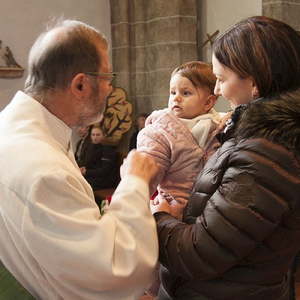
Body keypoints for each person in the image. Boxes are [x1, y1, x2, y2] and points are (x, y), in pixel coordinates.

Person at [0, 19, 159, 300]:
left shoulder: (15, 129)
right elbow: (113, 271)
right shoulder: (43, 169)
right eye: (108, 78)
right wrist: (134, 182)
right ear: (81, 85)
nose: (111, 88)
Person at [151, 16, 300, 300]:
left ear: (254, 83)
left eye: (221, 79)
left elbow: (200, 254)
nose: (217, 91)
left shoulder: (266, 154)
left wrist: (160, 217)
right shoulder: (262, 139)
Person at [138, 61, 221, 220]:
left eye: (186, 93)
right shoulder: (160, 133)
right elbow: (146, 176)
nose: (176, 98)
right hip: (173, 210)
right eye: (172, 92)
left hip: (210, 212)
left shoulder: (218, 125)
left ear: (208, 102)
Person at [80, 125, 120, 190]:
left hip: (105, 180)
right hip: (93, 176)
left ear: (103, 135)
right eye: (93, 135)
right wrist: (82, 168)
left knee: (82, 184)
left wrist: (86, 172)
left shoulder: (108, 149)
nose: (95, 137)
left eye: (98, 135)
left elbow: (104, 171)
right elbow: (88, 163)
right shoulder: (91, 147)